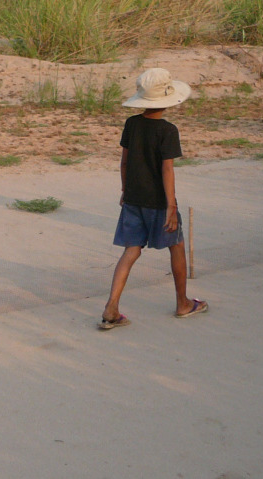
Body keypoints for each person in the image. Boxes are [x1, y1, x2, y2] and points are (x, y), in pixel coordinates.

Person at [99, 67, 207, 330]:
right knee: (176, 246)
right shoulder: (167, 130)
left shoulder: (132, 124)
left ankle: (111, 306)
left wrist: (125, 191)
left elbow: (125, 162)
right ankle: (183, 303)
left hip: (133, 198)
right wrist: (171, 205)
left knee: (131, 250)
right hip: (159, 202)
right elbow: (167, 169)